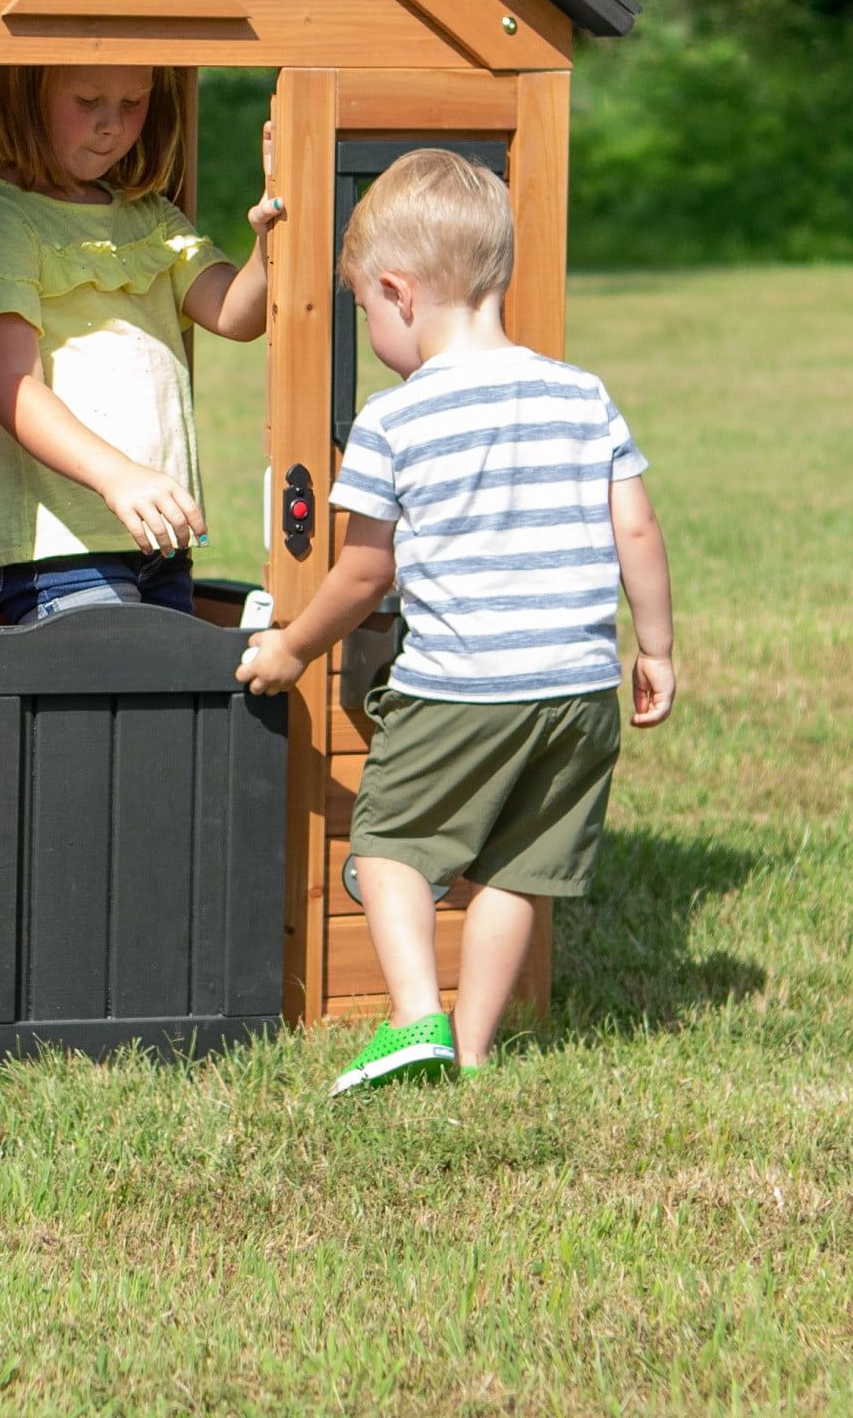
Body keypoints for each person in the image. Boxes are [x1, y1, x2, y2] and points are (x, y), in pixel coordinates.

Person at [239, 149, 676, 1092]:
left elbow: (363, 574)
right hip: (577, 688)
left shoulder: (398, 420)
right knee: (518, 868)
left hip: (461, 685)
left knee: (389, 849)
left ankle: (414, 1019)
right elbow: (634, 523)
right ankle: (475, 1056)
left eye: (362, 304)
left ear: (399, 293)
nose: (369, 320)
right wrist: (658, 648)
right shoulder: (580, 392)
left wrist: (290, 648)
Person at [0, 64, 283, 625]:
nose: (112, 125)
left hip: (161, 543)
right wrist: (118, 476)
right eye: (87, 100)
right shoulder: (5, 218)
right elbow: (14, 389)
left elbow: (235, 312)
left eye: (134, 103)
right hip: (64, 553)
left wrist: (272, 232)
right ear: (25, 97)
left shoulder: (148, 215)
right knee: (96, 707)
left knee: (153, 710)